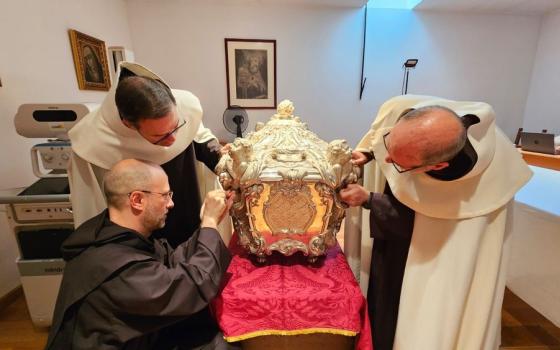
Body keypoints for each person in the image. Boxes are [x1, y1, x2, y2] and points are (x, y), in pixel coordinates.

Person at [340, 95, 532, 350]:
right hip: (392, 242)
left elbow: (420, 227)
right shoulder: (404, 109)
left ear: (438, 166)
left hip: (427, 264)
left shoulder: (476, 182)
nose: (387, 160)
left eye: (397, 162)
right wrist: (370, 152)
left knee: (406, 310)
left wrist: (368, 199)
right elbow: (385, 136)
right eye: (390, 145)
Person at [46, 159, 238, 349]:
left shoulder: (113, 233)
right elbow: (191, 287)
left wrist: (207, 224)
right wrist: (210, 224)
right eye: (165, 195)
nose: (171, 203)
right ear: (137, 200)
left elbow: (171, 262)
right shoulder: (113, 266)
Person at [68, 62, 225, 248]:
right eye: (160, 136)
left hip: (187, 206)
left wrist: (224, 160)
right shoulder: (92, 142)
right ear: (129, 125)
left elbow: (200, 139)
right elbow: (90, 208)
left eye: (176, 127)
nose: (173, 139)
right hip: (137, 241)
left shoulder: (180, 107)